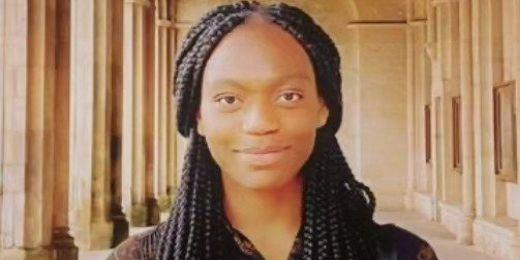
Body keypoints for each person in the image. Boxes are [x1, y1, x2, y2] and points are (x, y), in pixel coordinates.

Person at [108, 1, 438, 259]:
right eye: (229, 99)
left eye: (288, 96)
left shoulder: (400, 255)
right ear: (198, 117)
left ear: (323, 107)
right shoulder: (140, 257)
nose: (261, 123)